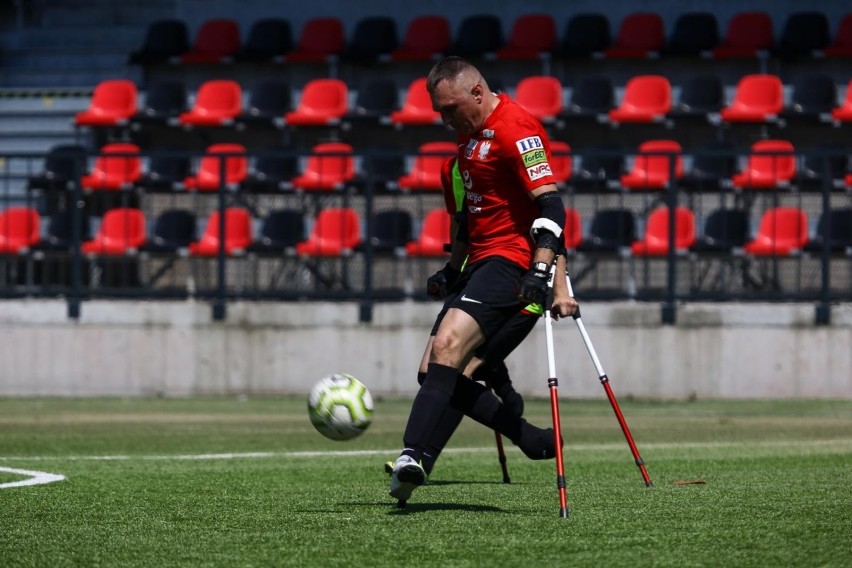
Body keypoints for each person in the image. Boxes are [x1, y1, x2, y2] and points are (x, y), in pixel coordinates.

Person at [389, 56, 579, 503]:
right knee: (430, 372)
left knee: (449, 348)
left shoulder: (519, 129)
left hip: (510, 261)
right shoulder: (466, 143)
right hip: (478, 265)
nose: (445, 119)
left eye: (450, 108)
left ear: (477, 92)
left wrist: (546, 274)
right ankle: (527, 435)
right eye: (439, 112)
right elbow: (469, 222)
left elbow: (551, 208)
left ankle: (412, 456)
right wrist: (452, 270)